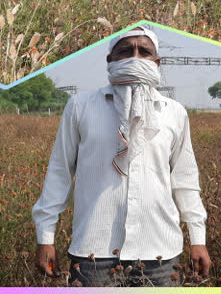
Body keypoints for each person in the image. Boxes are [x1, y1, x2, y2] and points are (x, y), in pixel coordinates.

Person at [32, 27, 210, 287]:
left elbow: (184, 179)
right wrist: (45, 237)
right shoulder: (80, 106)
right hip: (94, 252)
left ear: (157, 62)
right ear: (111, 60)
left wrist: (198, 239)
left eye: (144, 52)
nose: (135, 58)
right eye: (125, 51)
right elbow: (60, 172)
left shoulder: (174, 112)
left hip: (159, 252)